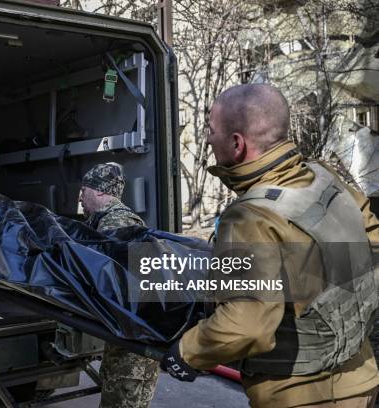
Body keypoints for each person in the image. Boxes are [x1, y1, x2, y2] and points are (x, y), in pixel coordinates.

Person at [160, 84, 379, 407]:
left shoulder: (250, 217)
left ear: (237, 143)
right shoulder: (325, 176)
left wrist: (186, 352)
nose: (207, 138)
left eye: (211, 129)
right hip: (361, 379)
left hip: (303, 396)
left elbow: (247, 324)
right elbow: (371, 245)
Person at [79, 162, 160, 408]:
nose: (80, 197)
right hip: (124, 342)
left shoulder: (118, 223)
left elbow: (132, 286)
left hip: (133, 351)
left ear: (100, 191)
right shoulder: (107, 222)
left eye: (84, 190)